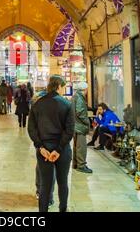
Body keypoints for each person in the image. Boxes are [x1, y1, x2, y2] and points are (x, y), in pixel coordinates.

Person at [28, 75, 74, 212]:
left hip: (44, 151)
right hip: (62, 150)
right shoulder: (66, 104)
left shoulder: (37, 104)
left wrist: (40, 146)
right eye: (63, 87)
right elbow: (70, 130)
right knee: (63, 183)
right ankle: (63, 209)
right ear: (59, 86)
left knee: (45, 185)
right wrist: (58, 150)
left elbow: (31, 128)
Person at [72, 81, 93, 174]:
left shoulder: (75, 96)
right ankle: (81, 165)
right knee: (81, 147)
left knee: (77, 146)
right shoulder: (79, 97)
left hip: (76, 125)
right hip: (80, 126)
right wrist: (87, 121)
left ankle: (76, 164)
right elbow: (80, 112)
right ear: (84, 89)